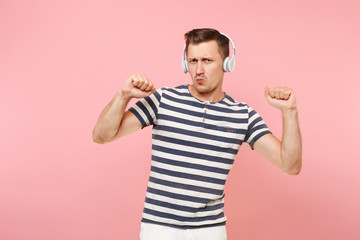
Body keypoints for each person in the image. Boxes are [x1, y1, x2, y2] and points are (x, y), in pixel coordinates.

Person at [92, 28, 302, 240]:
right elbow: (102, 136)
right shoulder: (163, 100)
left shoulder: (243, 115)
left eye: (207, 60)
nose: (199, 69)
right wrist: (123, 96)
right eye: (193, 61)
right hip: (158, 228)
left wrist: (290, 113)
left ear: (227, 63)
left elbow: (290, 165)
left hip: (209, 231)